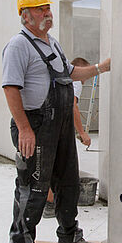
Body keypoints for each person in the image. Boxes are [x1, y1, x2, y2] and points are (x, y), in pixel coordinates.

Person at [2, 0, 111, 243]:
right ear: (26, 16)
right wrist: (25, 129)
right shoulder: (18, 46)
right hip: (36, 126)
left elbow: (70, 73)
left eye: (47, 8)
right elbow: (11, 88)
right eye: (40, 9)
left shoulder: (52, 43)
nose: (47, 14)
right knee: (33, 186)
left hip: (60, 125)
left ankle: (69, 235)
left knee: (68, 182)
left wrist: (101, 68)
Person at [42, 56, 92, 218]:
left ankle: (46, 202)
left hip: (46, 123)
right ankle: (50, 204)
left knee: (45, 165)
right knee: (56, 166)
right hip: (55, 127)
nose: (86, 78)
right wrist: (82, 132)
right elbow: (72, 106)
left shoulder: (58, 77)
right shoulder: (75, 81)